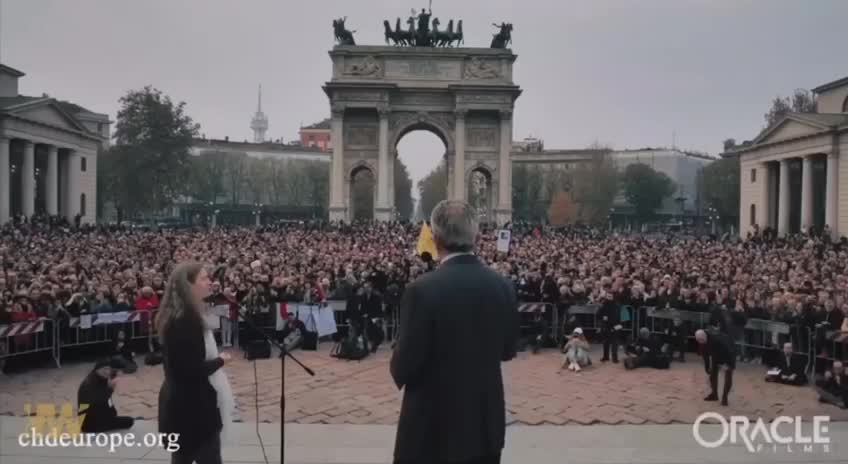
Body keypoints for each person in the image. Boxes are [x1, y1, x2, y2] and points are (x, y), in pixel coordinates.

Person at [390, 200, 519, 464]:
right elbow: (508, 350)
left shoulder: (420, 290)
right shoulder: (503, 286)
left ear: (435, 239)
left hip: (430, 430)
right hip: (483, 427)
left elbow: (403, 367)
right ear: (476, 236)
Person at [157, 262, 235, 464]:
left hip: (186, 406)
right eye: (203, 278)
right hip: (193, 410)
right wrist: (220, 360)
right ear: (188, 285)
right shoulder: (185, 321)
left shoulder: (187, 316)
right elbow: (189, 371)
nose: (210, 282)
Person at [77, 357, 134, 433]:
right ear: (97, 369)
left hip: (97, 417)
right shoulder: (89, 384)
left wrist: (112, 413)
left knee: (126, 420)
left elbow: (107, 401)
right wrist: (110, 389)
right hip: (89, 424)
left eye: (108, 369)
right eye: (104, 369)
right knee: (129, 421)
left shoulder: (100, 378)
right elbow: (100, 401)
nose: (107, 372)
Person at [696, 329, 736, 406]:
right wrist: (707, 368)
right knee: (712, 375)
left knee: (728, 374)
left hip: (729, 352)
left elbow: (728, 351)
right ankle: (714, 395)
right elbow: (705, 356)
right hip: (716, 354)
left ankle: (725, 397)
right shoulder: (701, 341)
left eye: (702, 340)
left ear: (705, 336)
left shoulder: (717, 340)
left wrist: (728, 364)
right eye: (699, 340)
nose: (701, 342)